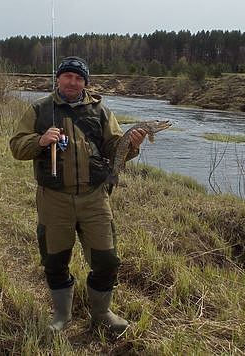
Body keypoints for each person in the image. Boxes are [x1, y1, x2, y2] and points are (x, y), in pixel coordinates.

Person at [9, 56, 146, 333]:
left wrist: (132, 146)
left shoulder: (101, 112)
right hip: (54, 199)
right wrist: (40, 140)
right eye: (68, 76)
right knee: (55, 259)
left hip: (95, 197)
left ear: (85, 82)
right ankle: (62, 316)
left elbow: (114, 149)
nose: (73, 82)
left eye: (79, 78)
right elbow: (16, 147)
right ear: (58, 79)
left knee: (107, 260)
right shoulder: (39, 110)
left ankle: (102, 314)